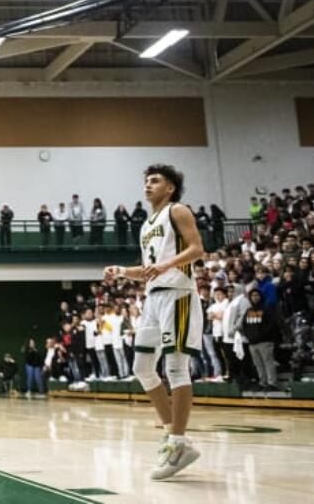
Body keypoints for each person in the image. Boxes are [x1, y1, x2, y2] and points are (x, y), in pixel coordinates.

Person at [103, 164, 204, 481]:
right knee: (142, 367)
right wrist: (121, 270)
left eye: (155, 180)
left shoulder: (178, 211)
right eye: (146, 180)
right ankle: (174, 434)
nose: (148, 185)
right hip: (153, 298)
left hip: (179, 295)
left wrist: (165, 265)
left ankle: (177, 442)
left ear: (170, 187)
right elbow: (148, 268)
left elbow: (197, 249)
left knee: (176, 367)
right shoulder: (146, 225)